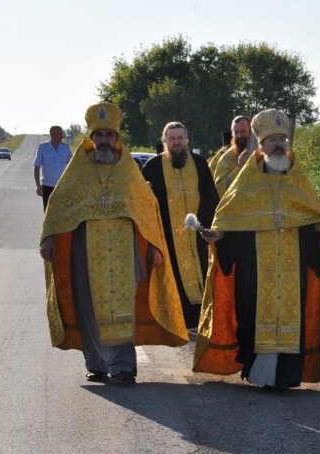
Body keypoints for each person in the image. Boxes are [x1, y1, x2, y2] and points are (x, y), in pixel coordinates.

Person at [39, 102, 188, 385]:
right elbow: (58, 203)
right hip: (85, 245)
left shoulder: (128, 169)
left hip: (124, 246)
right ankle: (96, 364)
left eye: (109, 135)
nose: (104, 140)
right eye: (99, 136)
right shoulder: (77, 170)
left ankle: (123, 368)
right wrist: (47, 237)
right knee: (88, 304)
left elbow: (146, 207)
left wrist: (154, 246)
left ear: (116, 138)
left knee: (122, 305)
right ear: (91, 138)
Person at [194, 109, 320, 390]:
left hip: (292, 266)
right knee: (253, 315)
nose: (279, 144)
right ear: (260, 147)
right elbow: (230, 216)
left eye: (283, 139)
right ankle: (259, 373)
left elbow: (310, 216)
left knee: (291, 317)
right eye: (272, 140)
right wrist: (219, 234)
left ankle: (286, 376)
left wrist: (319, 229)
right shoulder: (246, 181)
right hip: (255, 269)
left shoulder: (298, 179)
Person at [142, 122, 220, 330]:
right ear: (164, 141)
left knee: (202, 274)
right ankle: (178, 323)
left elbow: (212, 197)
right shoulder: (152, 167)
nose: (177, 142)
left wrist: (213, 226)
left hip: (198, 236)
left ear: (186, 140)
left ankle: (203, 320)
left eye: (180, 138)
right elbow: (143, 205)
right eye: (172, 138)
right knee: (174, 280)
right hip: (168, 238)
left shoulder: (200, 164)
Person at [34, 125, 72, 210]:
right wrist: (38, 186)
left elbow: (71, 167)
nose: (62, 136)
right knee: (48, 213)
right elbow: (36, 168)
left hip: (62, 187)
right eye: (60, 134)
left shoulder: (66, 148)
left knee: (62, 213)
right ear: (52, 135)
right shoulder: (42, 148)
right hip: (47, 187)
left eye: (62, 134)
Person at [212, 115, 251, 197]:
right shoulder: (226, 158)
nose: (239, 135)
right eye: (236, 132)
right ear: (232, 134)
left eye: (243, 131)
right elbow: (219, 189)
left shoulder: (263, 152)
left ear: (251, 131)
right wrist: (238, 168)